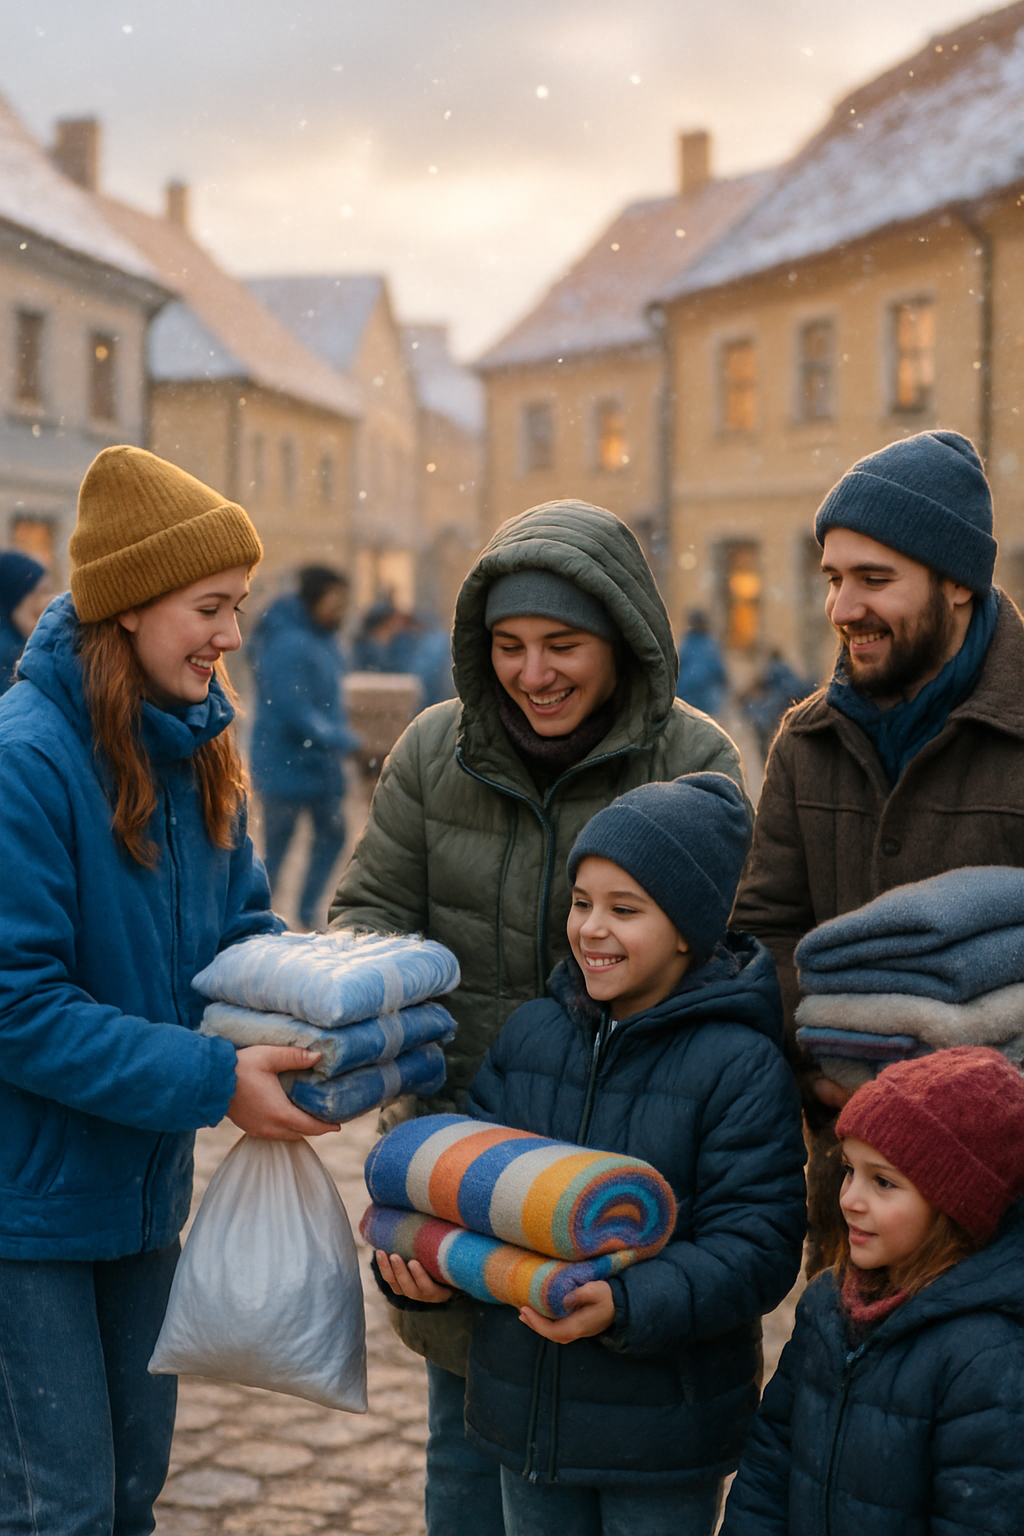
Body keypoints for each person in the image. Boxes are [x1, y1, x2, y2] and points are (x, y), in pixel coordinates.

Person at [330, 498, 751, 1536]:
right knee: (471, 1470)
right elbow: (367, 918)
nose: (535, 673)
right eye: (510, 647)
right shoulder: (436, 751)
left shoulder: (692, 762)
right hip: (465, 1182)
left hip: (628, 1192)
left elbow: (733, 964)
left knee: (628, 1463)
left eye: (563, 644)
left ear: (621, 643)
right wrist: (410, 1088)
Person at [0, 446, 337, 1535]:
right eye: (210, 607)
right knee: (62, 1505)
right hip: (24, 1206)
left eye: (237, 607)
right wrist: (211, 1077)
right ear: (131, 606)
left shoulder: (197, 750)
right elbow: (15, 1005)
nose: (231, 637)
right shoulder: (26, 761)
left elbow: (238, 933)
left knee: (131, 1489)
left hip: (141, 1193)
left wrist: (322, 1002)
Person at [378, 773, 807, 1536]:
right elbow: (472, 1194)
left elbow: (759, 1248)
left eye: (624, 909)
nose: (591, 929)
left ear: (687, 928)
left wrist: (629, 1303)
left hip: (661, 1440)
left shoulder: (739, 1065)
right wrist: (429, 1275)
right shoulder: (532, 1035)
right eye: (582, 903)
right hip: (525, 1421)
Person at [733, 429, 1024, 1271]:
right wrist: (830, 1071)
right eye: (833, 579)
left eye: (874, 579)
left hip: (1005, 1203)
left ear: (958, 583)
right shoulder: (807, 739)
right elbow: (763, 933)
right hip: (851, 1193)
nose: (842, 608)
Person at [721, 1047, 1024, 1535]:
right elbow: (769, 1465)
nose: (850, 1199)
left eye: (883, 1182)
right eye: (848, 1170)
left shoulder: (986, 1354)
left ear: (955, 1205)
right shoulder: (826, 1304)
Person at [249, 564, 361, 930]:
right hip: (284, 764)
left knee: (333, 834)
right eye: (335, 600)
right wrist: (343, 740)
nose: (341, 609)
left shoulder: (322, 639)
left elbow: (327, 703)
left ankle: (307, 911)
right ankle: (256, 918)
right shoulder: (289, 643)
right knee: (277, 849)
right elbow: (293, 710)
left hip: (317, 766)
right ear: (315, 597)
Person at [0, 548, 50, 693]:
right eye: (38, 593)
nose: (45, 602)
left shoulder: (21, 648)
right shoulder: (9, 660)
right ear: (14, 600)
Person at [675, 607, 727, 717]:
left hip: (700, 698)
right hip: (692, 697)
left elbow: (718, 670)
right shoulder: (694, 642)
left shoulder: (705, 643)